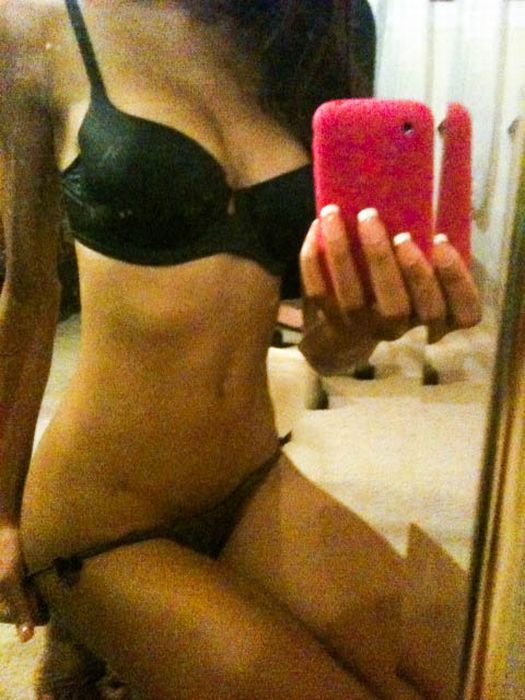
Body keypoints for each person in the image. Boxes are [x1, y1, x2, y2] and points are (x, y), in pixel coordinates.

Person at [0, 1, 481, 698]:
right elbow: (28, 292)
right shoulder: (37, 20)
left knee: (477, 660)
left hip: (252, 483)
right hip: (102, 519)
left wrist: (359, 329)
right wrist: (2, 515)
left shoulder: (311, 27)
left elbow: (323, 348)